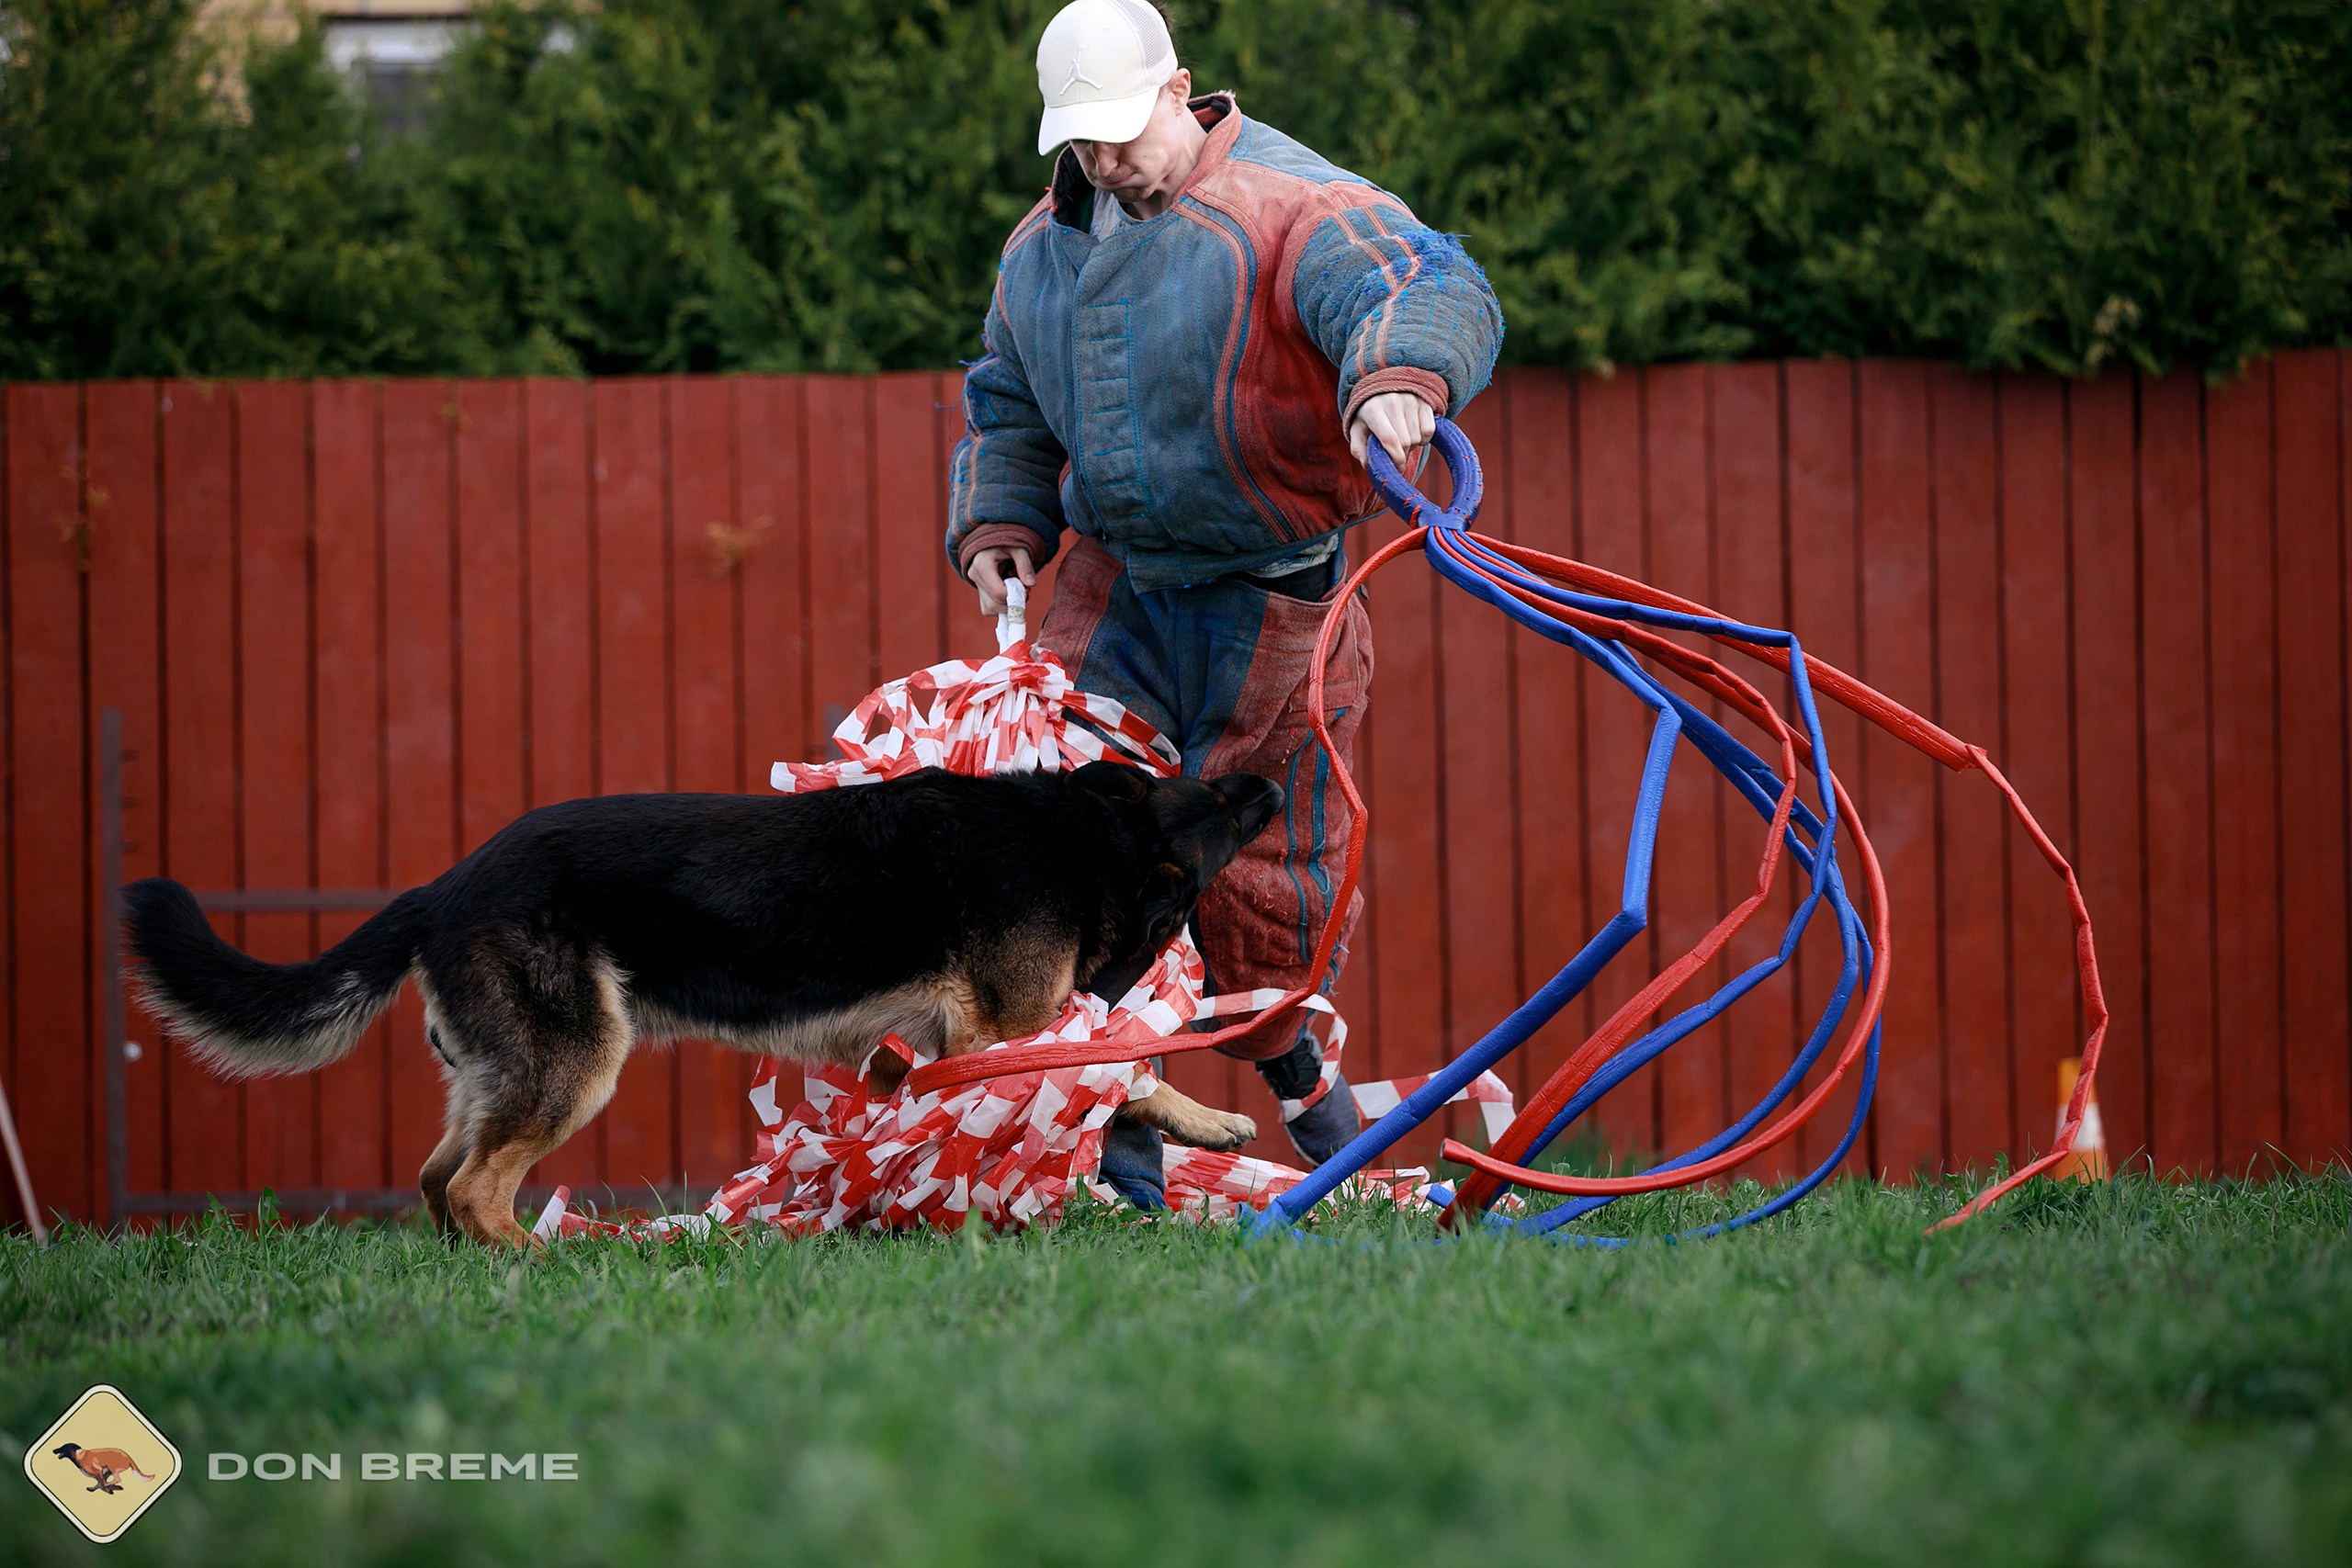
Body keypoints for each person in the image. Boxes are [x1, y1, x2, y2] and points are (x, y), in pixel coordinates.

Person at [947, 0, 1501, 1205]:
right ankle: (1117, 1177)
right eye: (1080, 138)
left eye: (1120, 131)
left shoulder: (1295, 208)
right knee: (1075, 861)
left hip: (1276, 608)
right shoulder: (1040, 250)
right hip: (1112, 596)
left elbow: (1423, 286)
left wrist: (1400, 379)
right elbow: (1005, 398)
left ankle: (1322, 1129)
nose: (1102, 159)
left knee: (1265, 889)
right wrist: (999, 524)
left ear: (1179, 88)